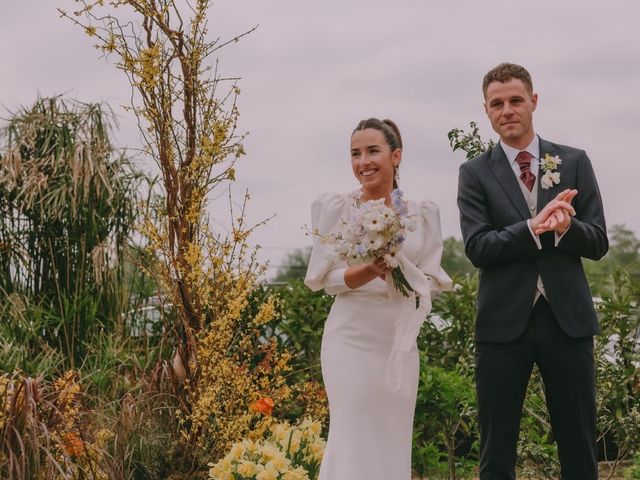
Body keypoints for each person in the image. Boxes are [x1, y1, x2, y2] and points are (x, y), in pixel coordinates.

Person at [457, 62, 608, 479]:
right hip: (503, 324)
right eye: (497, 103)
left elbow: (598, 241)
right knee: (495, 450)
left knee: (579, 445)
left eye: (515, 100)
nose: (507, 110)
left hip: (568, 321)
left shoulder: (574, 161)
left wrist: (567, 228)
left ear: (533, 102)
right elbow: (477, 247)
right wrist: (531, 227)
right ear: (487, 111)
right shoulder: (473, 173)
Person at [304, 118, 452, 480]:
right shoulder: (338, 208)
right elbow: (327, 280)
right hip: (350, 339)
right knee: (351, 433)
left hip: (398, 341)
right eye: (355, 154)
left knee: (392, 435)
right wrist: (371, 269)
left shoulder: (421, 214)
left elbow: (431, 280)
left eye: (373, 151)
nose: (363, 162)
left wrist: (399, 272)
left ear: (396, 156)